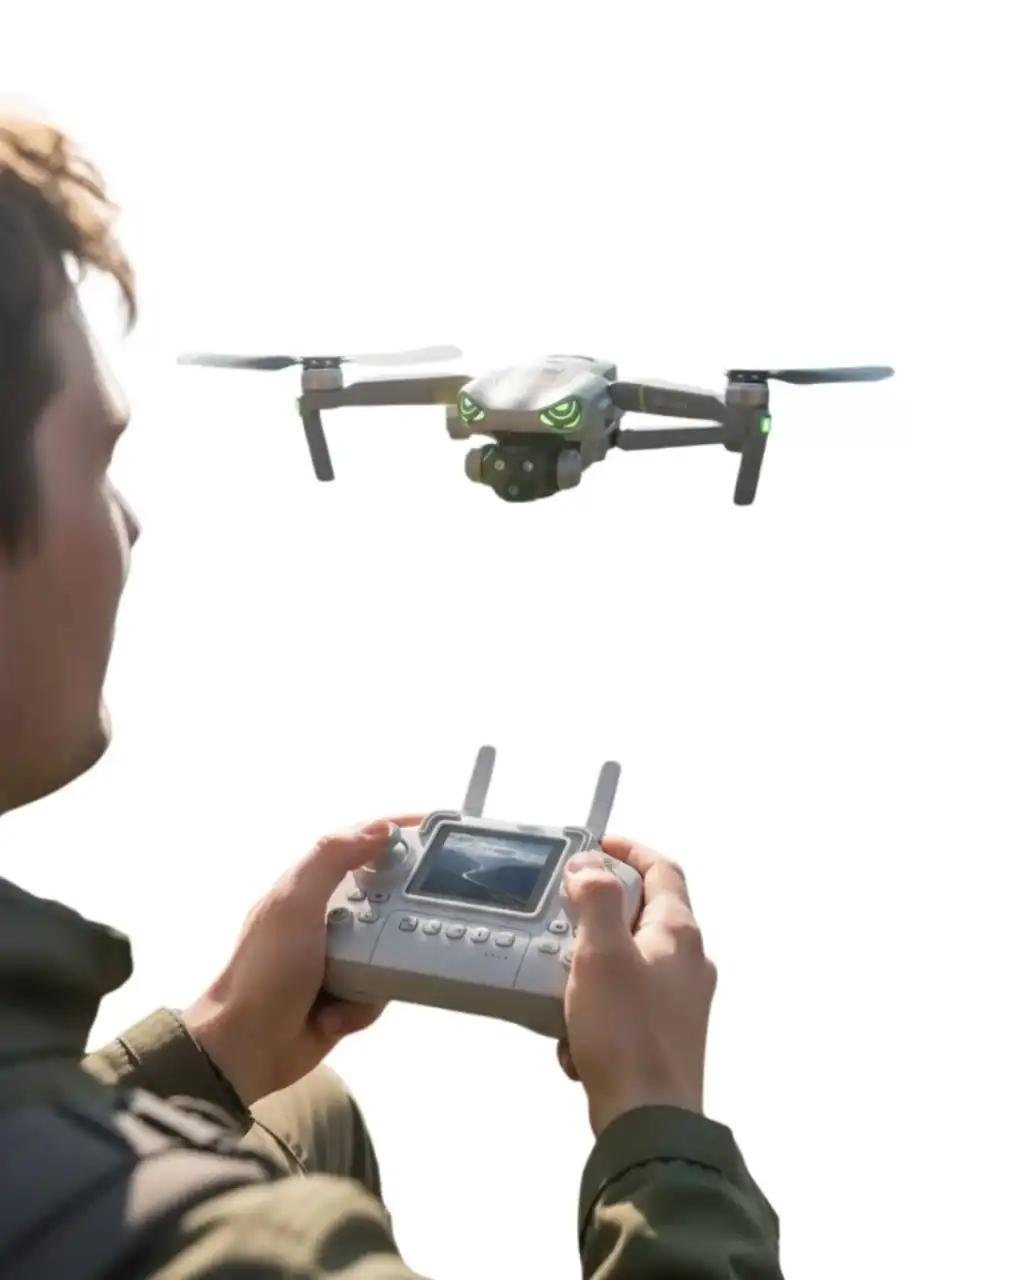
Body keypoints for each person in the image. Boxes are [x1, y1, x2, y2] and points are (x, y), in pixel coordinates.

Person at [0, 114, 784, 1280]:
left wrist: (215, 1040)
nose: (132, 522)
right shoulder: (249, 1253)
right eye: (98, 457)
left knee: (301, 1102)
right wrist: (658, 1123)